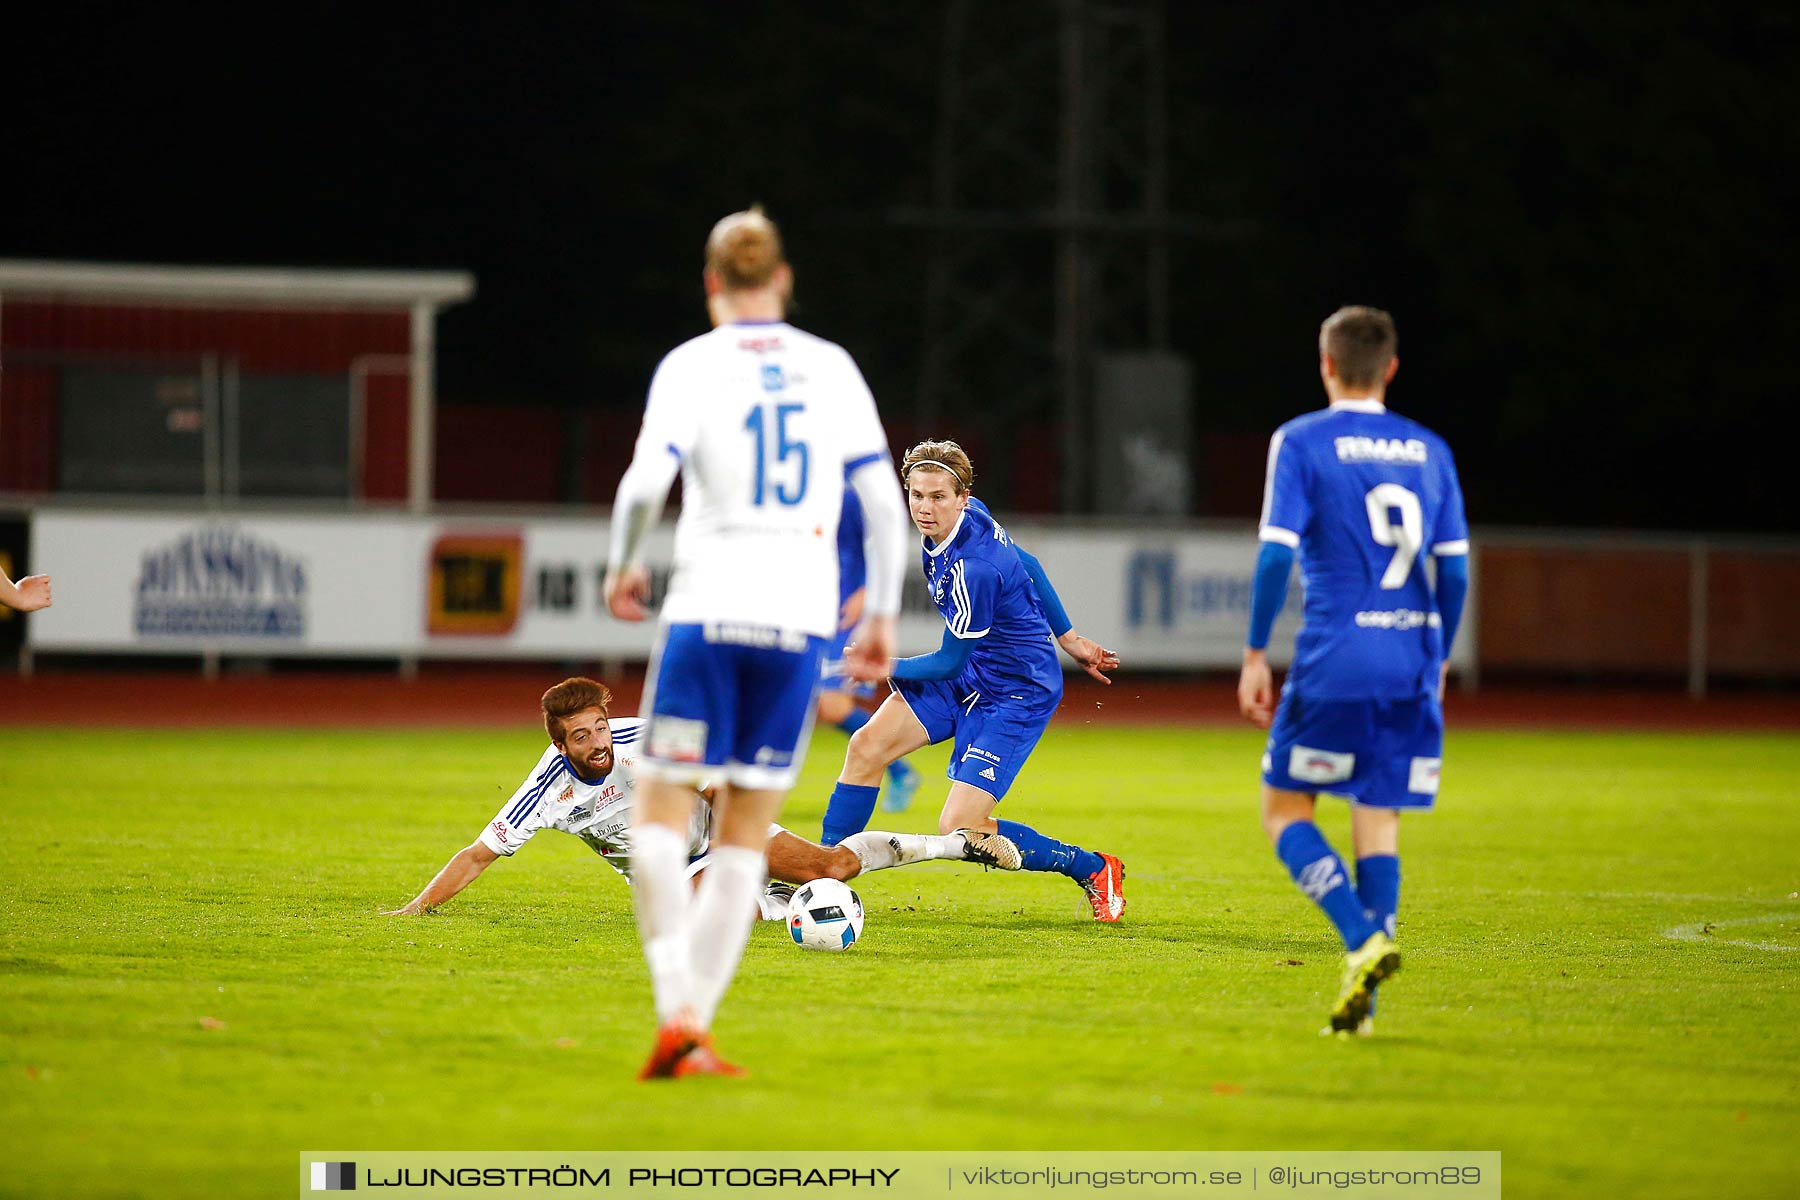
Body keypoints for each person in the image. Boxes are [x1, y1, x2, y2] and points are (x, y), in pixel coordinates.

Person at [603, 206, 911, 1080]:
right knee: (744, 836)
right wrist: (881, 616)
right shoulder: (832, 367)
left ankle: (677, 1011)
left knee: (662, 818)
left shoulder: (690, 366)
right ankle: (696, 1023)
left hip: (706, 612)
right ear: (783, 281)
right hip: (797, 626)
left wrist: (623, 563)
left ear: (710, 285)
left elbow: (642, 483)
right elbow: (883, 506)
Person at [1237, 305, 1469, 1036]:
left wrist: (1252, 654)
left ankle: (1362, 940)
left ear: (1327, 364)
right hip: (1410, 659)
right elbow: (1455, 570)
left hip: (1338, 657)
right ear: (1391, 368)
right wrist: (1438, 655)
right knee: (1377, 817)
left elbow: (1276, 552)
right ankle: (1363, 998)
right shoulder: (1431, 450)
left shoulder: (1302, 440)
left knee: (1285, 810)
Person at [381, 677, 1020, 917]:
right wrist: (417, 909)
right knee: (724, 916)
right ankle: (779, 899)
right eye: (583, 737)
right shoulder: (545, 793)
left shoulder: (640, 736)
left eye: (601, 726)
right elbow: (477, 853)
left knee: (834, 867)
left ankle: (954, 845)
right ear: (561, 745)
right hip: (670, 874)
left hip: (722, 827)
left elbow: (715, 759)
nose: (599, 742)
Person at [817, 439, 1129, 922]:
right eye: (916, 494)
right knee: (865, 747)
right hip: (974, 668)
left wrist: (883, 665)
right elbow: (1030, 564)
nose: (925, 507)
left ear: (962, 496)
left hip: (1016, 690)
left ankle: (1092, 868)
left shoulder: (973, 568)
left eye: (938, 497)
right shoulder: (971, 518)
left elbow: (945, 662)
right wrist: (1068, 637)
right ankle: (821, 879)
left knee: (961, 826)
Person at [816, 488, 921, 813]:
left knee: (831, 704)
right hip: (817, 603)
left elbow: (882, 537)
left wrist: (868, 591)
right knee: (809, 700)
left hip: (846, 606)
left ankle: (900, 771)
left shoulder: (853, 487)